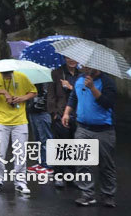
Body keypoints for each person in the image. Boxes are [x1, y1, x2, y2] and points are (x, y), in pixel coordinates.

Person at [62, 66, 116, 208]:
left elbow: (107, 103)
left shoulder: (107, 82)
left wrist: (92, 88)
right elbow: (74, 97)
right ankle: (87, 193)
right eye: (83, 66)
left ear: (96, 66)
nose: (84, 68)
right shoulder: (80, 79)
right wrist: (67, 112)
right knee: (82, 163)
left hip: (103, 129)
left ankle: (108, 194)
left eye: (87, 66)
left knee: (106, 164)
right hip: (83, 128)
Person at [0, 68, 36, 194]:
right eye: (4, 73)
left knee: (21, 154)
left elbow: (33, 92)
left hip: (20, 121)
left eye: (9, 73)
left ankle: (21, 182)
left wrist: (22, 98)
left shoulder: (21, 76)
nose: (7, 75)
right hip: (1, 121)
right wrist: (2, 91)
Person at [47, 56, 81, 187]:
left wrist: (71, 87)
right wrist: (54, 113)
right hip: (61, 114)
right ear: (65, 58)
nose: (72, 60)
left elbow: (84, 93)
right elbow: (51, 95)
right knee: (61, 145)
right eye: (69, 58)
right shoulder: (57, 73)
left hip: (76, 114)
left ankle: (71, 175)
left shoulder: (81, 75)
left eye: (74, 58)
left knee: (74, 146)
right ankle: (59, 175)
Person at [26, 82, 52, 175]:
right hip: (33, 109)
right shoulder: (32, 79)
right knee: (38, 139)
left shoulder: (46, 80)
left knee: (45, 138)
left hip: (42, 111)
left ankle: (48, 165)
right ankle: (41, 162)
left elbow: (46, 94)